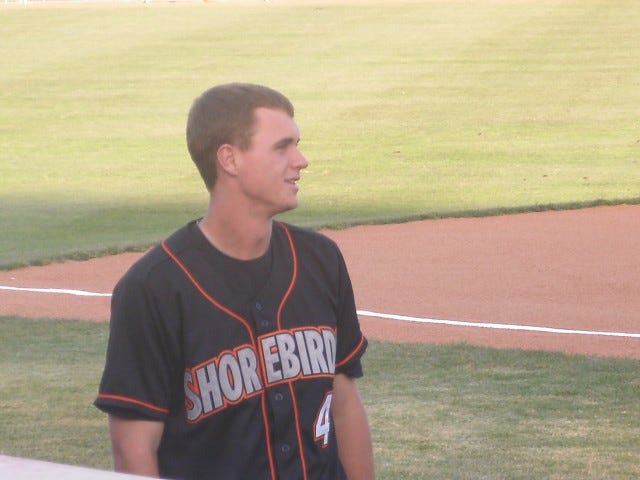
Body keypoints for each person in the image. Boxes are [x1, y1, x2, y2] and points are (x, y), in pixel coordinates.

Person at [95, 83, 375, 480]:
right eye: (283, 147)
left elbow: (344, 403)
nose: (302, 160)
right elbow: (133, 449)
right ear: (229, 159)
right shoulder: (154, 288)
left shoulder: (320, 260)